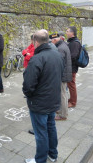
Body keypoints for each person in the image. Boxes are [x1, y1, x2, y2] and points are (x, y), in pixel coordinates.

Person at [22, 30, 64, 163]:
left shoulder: (37, 58)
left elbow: (28, 85)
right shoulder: (56, 54)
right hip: (53, 100)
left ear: (35, 41)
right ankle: (53, 155)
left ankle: (40, 160)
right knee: (51, 128)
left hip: (40, 103)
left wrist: (29, 95)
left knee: (41, 133)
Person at [50, 33, 72, 120]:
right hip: (64, 73)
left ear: (55, 40)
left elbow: (58, 63)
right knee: (62, 93)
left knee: (62, 94)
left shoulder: (60, 48)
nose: (51, 42)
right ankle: (60, 110)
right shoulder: (63, 44)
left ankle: (63, 115)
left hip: (62, 75)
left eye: (52, 41)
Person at [66, 26, 81, 108]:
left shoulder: (75, 43)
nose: (66, 33)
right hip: (70, 66)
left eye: (68, 31)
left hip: (72, 67)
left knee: (71, 85)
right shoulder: (72, 42)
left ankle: (73, 102)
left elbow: (73, 56)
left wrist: (65, 59)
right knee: (70, 84)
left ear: (72, 33)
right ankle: (71, 99)